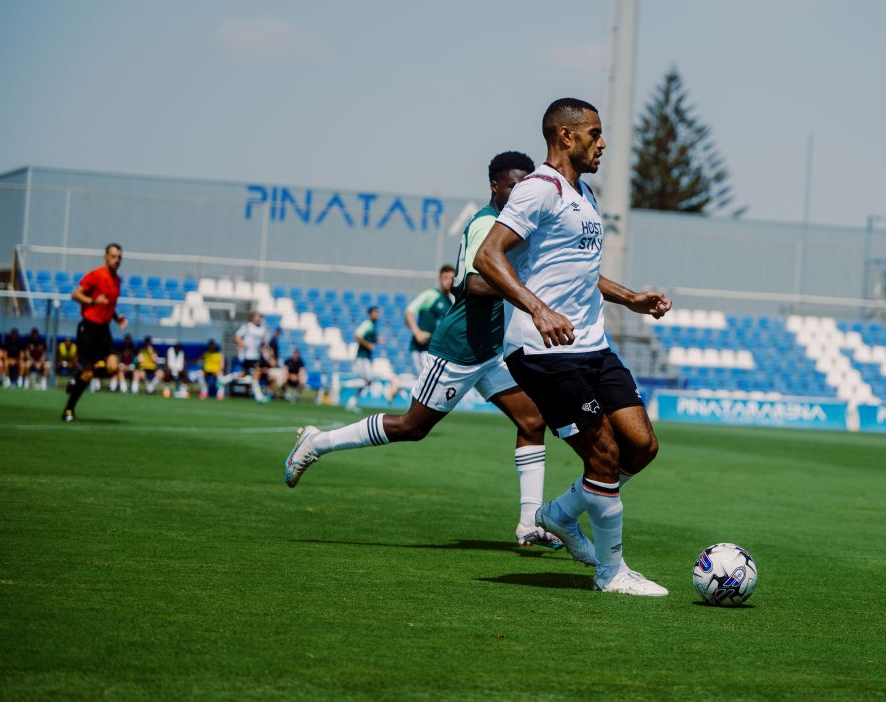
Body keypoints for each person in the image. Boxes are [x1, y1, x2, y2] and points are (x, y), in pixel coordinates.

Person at [284, 150, 564, 550]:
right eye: (514, 184)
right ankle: (317, 443)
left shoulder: (511, 226)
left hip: (488, 350)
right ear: (495, 186)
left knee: (532, 421)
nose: (521, 191)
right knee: (413, 427)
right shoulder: (486, 224)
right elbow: (471, 285)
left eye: (526, 184)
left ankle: (528, 524)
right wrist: (528, 295)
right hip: (459, 347)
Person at [474, 99, 674, 596]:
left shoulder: (582, 193)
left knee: (641, 446)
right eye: (595, 133)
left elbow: (579, 269)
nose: (602, 142)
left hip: (592, 344)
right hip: (543, 352)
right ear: (566, 136)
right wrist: (537, 309)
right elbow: (488, 256)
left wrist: (630, 297)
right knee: (603, 456)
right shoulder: (537, 190)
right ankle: (612, 573)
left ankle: (559, 515)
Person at [63, 243, 129, 421]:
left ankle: (77, 376)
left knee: (114, 367)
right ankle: (68, 410)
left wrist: (116, 318)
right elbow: (75, 294)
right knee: (88, 373)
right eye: (113, 256)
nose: (116, 260)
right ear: (105, 257)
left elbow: (108, 304)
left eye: (119, 257)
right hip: (89, 328)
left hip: (104, 329)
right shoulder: (96, 275)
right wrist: (92, 301)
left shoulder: (117, 281)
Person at [405, 265, 455, 374]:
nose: (449, 281)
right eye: (445, 278)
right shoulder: (431, 295)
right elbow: (409, 312)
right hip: (422, 350)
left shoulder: (451, 301)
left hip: (438, 351)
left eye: (452, 278)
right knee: (425, 382)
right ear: (440, 279)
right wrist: (417, 333)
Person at [348, 306, 383, 411]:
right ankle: (346, 386)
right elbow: (357, 335)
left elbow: (372, 340)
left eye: (378, 312)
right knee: (368, 380)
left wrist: (377, 340)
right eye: (375, 312)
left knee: (367, 381)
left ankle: (352, 402)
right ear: (370, 313)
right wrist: (367, 344)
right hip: (362, 357)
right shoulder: (367, 324)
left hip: (367, 357)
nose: (377, 314)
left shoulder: (374, 326)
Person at [234, 312, 270, 403]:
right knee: (256, 373)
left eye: (260, 317)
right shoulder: (247, 326)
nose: (258, 319)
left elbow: (264, 342)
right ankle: (259, 396)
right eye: (257, 317)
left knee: (244, 374)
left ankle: (224, 379)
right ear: (253, 318)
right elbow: (237, 336)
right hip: (247, 355)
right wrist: (241, 343)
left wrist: (264, 348)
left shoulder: (263, 328)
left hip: (256, 355)